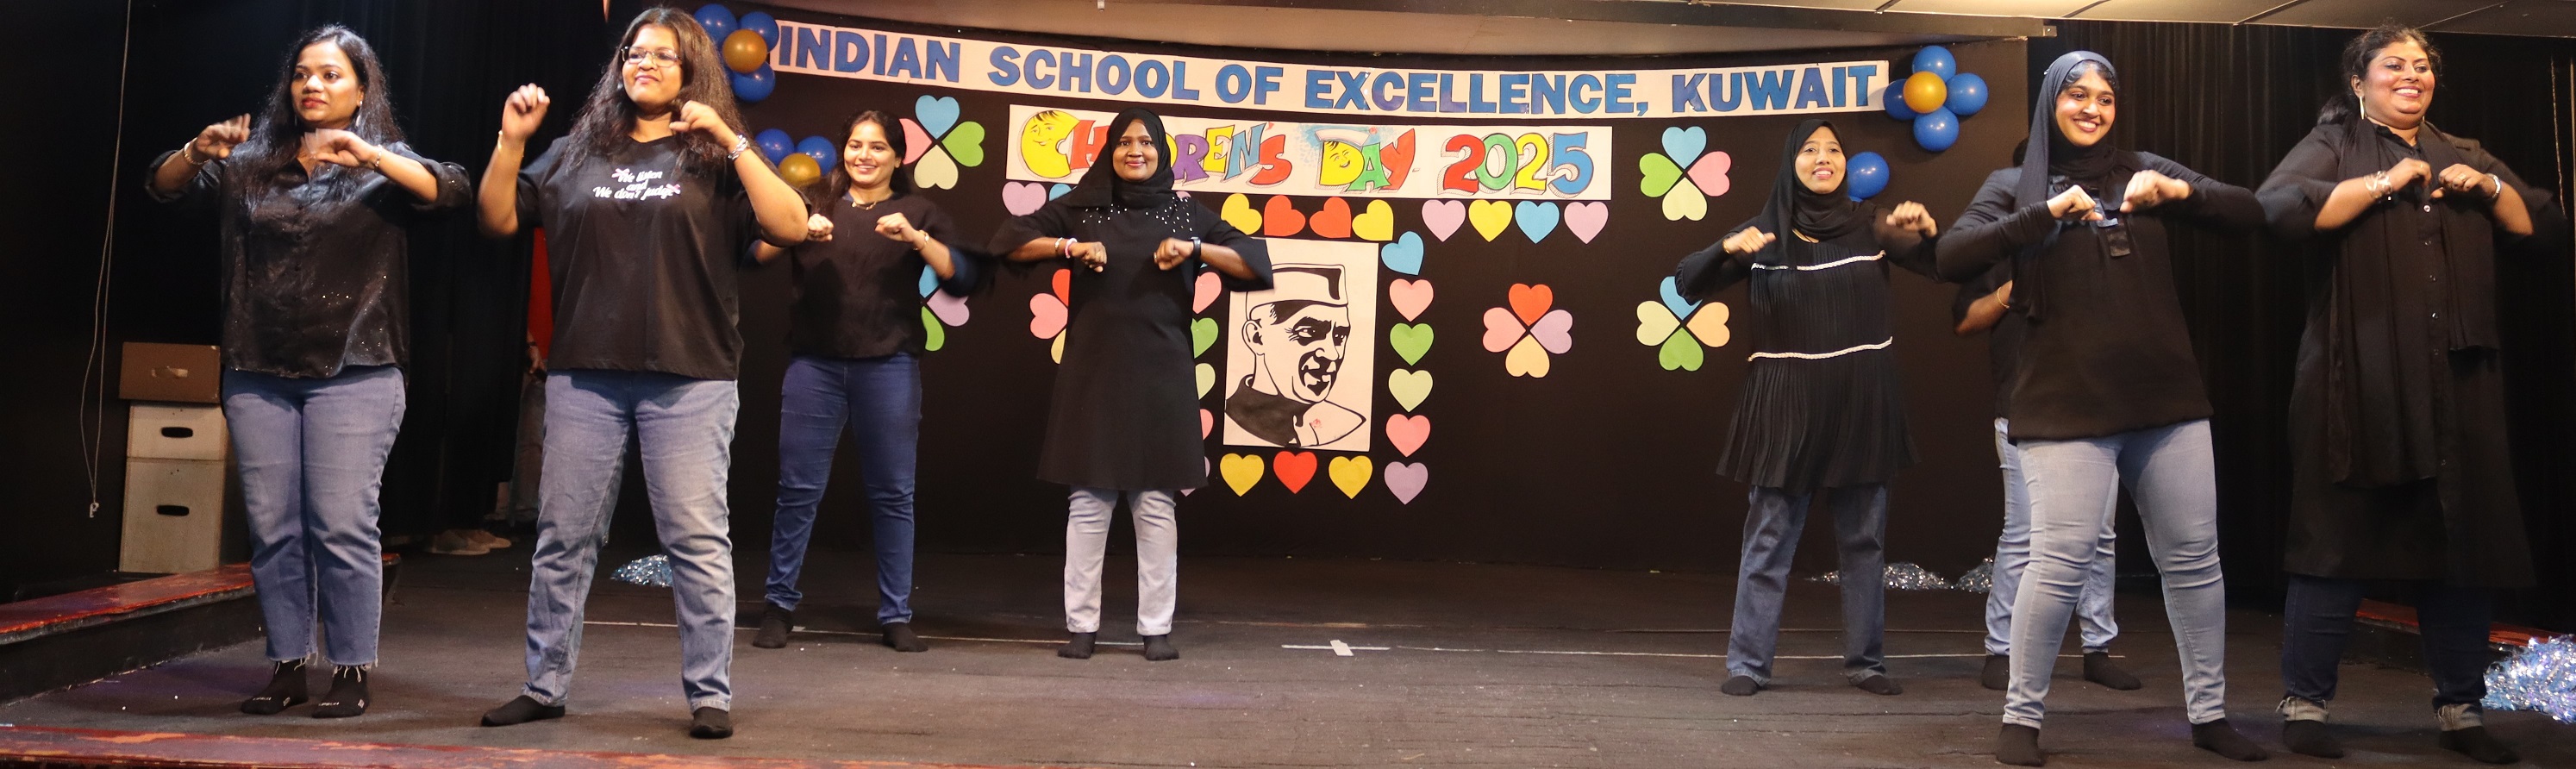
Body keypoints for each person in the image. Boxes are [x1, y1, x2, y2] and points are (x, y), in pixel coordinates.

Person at [469, 6, 809, 739]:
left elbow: (788, 225)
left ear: (692, 71)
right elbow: (497, 220)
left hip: (691, 375)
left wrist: (733, 140)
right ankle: (544, 684)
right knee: (564, 538)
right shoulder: (574, 152)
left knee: (695, 541)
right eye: (633, 52)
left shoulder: (714, 156)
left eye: (661, 55)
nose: (643, 63)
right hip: (586, 371)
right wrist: (511, 142)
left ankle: (710, 694)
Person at [1935, 51, 2268, 766]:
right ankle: (2022, 718)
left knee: (2194, 561)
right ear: (2050, 103)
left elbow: (2251, 210)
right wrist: (2043, 215)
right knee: (2059, 561)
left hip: (2165, 397)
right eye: (2077, 95)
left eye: (2106, 99)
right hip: (2064, 404)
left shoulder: (2142, 167)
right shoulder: (2012, 185)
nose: (2092, 108)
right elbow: (1952, 257)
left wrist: (2180, 193)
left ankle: (2209, 714)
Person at [2255, 23, 2563, 765]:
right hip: (2356, 383)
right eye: (2393, 64)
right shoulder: (2333, 144)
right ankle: (2306, 705)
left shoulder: (2464, 152)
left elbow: (2546, 229)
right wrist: (2381, 184)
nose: (2411, 76)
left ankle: (2461, 711)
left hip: (2457, 387)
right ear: (2358, 81)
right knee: (2336, 542)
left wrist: (2489, 188)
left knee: (2463, 545)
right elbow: (2279, 209)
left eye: (2421, 66)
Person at [145, 25, 468, 719]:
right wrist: (196, 150)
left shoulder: (382, 165)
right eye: (301, 74)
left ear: (362, 89)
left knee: (342, 523)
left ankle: (350, 666)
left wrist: (372, 155)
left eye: (329, 74)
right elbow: (164, 187)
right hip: (258, 366)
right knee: (274, 527)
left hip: (356, 365)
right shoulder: (250, 164)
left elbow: (450, 191)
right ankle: (288, 664)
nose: (312, 85)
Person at [990, 108, 1272, 662]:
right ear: (1110, 150)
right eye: (1123, 142)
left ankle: (1156, 628)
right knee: (1088, 504)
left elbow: (1254, 263)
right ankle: (1081, 627)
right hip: (1093, 372)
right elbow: (1009, 242)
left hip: (1162, 375)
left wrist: (1195, 250)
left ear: (1162, 151)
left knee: (1155, 504)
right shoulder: (1083, 207)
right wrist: (1067, 248)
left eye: (1145, 141)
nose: (1134, 150)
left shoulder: (1184, 212)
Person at [1671, 118, 1939, 698]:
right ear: (1790, 163)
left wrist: (1928, 233)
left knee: (1864, 542)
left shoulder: (1873, 224)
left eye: (1834, 149)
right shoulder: (1764, 232)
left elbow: (1941, 264)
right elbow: (1686, 282)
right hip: (1785, 407)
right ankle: (1748, 663)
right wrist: (1724, 247)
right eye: (1810, 149)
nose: (1824, 157)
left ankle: (1866, 663)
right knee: (1769, 540)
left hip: (1860, 404)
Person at [750, 109, 976, 653]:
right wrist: (796, 229)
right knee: (797, 491)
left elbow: (960, 274)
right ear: (843, 150)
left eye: (877, 147)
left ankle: (896, 615)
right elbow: (756, 255)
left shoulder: (918, 211)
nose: (864, 155)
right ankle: (778, 606)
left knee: (893, 493)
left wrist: (916, 238)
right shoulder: (811, 199)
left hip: (889, 366)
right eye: (855, 145)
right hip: (814, 367)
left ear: (898, 157)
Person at [1953, 234, 2140, 696]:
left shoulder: (2100, 241)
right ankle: (2001, 649)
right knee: (2023, 533)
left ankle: (2097, 648)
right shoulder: (2002, 247)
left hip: (2095, 409)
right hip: (2023, 408)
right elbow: (1966, 320)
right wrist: (2009, 291)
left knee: (2100, 534)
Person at [1224, 265, 1359, 447]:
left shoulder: (1349, 426)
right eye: (1309, 332)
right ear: (1256, 338)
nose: (1332, 353)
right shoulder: (1227, 420)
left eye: (1340, 336)